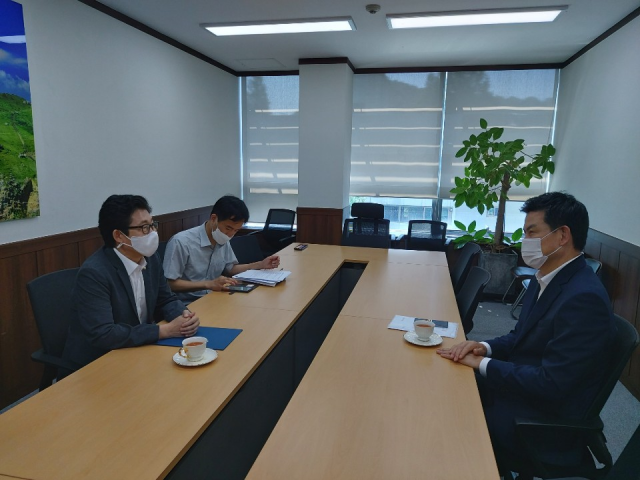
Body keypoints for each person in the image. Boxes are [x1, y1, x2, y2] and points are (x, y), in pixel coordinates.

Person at [437, 192, 616, 469]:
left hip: (539, 421)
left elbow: (552, 384)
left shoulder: (584, 297)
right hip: (522, 389)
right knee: (447, 383)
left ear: (562, 235)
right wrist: (484, 348)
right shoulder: (544, 277)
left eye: (532, 233)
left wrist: (483, 364)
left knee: (448, 420)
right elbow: (520, 336)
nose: (525, 242)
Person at [63, 195, 200, 370]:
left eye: (152, 224)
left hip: (138, 350)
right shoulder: (94, 273)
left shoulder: (150, 258)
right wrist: (163, 331)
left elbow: (165, 299)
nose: (153, 233)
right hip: (99, 362)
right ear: (119, 236)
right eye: (144, 227)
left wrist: (184, 316)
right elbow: (104, 334)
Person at [163, 195, 280, 303]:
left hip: (216, 297)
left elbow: (230, 268)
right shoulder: (181, 242)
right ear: (214, 218)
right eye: (228, 228)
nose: (230, 234)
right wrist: (208, 284)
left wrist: (260, 264)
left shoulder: (222, 238)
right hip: (188, 304)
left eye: (236, 230)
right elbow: (169, 283)